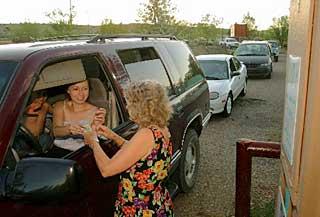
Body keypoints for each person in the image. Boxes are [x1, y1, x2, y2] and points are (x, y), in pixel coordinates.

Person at [84, 80, 174, 217]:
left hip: (140, 210)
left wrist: (93, 141)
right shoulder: (160, 128)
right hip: (156, 203)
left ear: (140, 106)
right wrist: (113, 136)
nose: (126, 107)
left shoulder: (145, 134)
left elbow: (107, 169)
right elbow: (142, 155)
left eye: (129, 103)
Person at [52, 80, 106, 156]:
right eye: (76, 89)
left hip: (84, 154)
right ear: (68, 90)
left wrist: (95, 128)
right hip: (59, 152)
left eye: (85, 89)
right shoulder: (60, 106)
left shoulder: (96, 112)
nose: (81, 94)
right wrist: (69, 129)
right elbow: (55, 132)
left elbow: (98, 140)